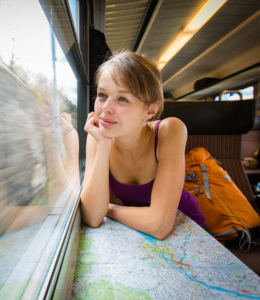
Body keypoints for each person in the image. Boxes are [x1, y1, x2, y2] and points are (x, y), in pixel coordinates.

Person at [80, 51, 205, 240]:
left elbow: (159, 226)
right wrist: (103, 146)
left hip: (185, 231)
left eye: (123, 99)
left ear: (150, 110)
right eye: (102, 95)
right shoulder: (97, 138)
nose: (105, 108)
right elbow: (92, 216)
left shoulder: (170, 130)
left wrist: (110, 209)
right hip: (137, 232)